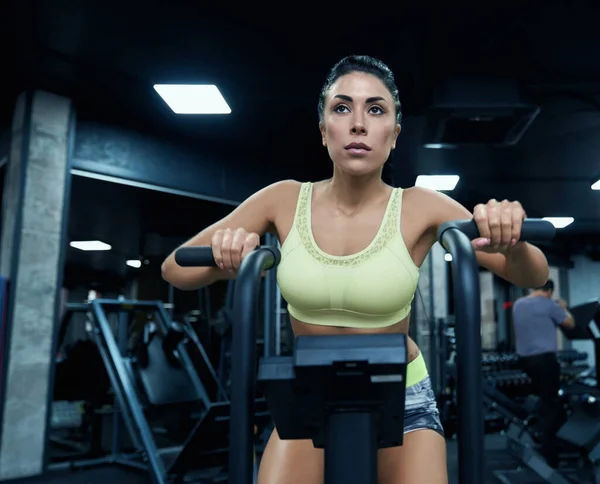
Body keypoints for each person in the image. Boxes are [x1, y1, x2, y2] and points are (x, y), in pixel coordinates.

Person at [161, 55, 550, 484]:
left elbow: (531, 275)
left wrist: (510, 237)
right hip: (308, 395)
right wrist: (226, 258)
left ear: (395, 134)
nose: (358, 124)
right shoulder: (284, 199)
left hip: (402, 395)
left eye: (376, 109)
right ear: (324, 128)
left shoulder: (420, 206)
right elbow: (174, 269)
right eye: (342, 108)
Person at [512, 279, 575, 467]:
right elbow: (570, 324)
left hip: (524, 362)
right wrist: (563, 307)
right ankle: (550, 455)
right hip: (545, 362)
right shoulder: (549, 305)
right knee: (551, 406)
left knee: (539, 403)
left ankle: (539, 443)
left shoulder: (518, 304)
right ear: (549, 291)